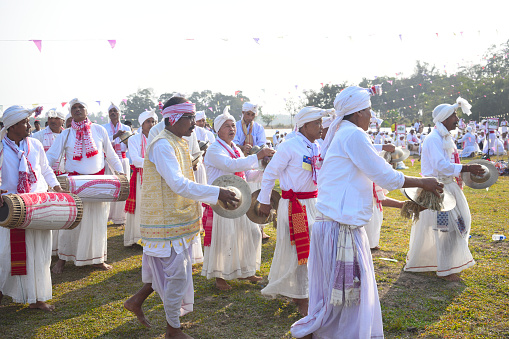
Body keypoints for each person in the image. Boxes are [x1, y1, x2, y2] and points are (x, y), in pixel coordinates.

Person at [290, 86, 443, 339]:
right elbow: (384, 175)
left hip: (338, 225)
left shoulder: (346, 133)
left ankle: (330, 330)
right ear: (358, 112)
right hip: (338, 227)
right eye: (369, 110)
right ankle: (336, 332)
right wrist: (422, 182)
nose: (372, 116)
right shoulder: (352, 135)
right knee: (349, 292)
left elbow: (377, 172)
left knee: (344, 291)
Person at [123, 97, 238, 339]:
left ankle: (137, 302)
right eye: (189, 118)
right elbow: (178, 184)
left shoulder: (177, 141)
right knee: (177, 275)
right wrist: (216, 193)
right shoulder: (163, 145)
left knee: (171, 272)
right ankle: (172, 329)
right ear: (173, 118)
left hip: (177, 219)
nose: (195, 123)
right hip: (166, 223)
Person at [404, 97, 484, 282]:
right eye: (454, 115)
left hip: (448, 187)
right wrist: (466, 168)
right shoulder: (433, 138)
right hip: (438, 190)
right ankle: (446, 269)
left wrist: (463, 173)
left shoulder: (445, 137)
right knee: (445, 228)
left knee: (458, 225)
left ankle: (444, 263)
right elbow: (440, 165)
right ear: (444, 119)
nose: (457, 119)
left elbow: (449, 164)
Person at [258, 107, 326, 316]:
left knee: (312, 248)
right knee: (302, 250)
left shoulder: (316, 146)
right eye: (317, 123)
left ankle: (305, 290)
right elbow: (270, 173)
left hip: (313, 203)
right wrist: (264, 200)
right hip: (295, 207)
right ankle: (302, 296)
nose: (321, 127)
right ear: (305, 126)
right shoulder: (290, 146)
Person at [47, 98, 124, 273]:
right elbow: (51, 157)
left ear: (87, 111)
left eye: (80, 107)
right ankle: (63, 259)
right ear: (71, 112)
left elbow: (110, 155)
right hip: (73, 185)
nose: (77, 110)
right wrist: (45, 175)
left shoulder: (99, 130)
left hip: (98, 183)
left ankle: (97, 259)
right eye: (74, 108)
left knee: (97, 221)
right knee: (72, 221)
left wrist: (121, 173)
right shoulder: (66, 133)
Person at [0, 105, 65, 312]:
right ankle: (7, 290)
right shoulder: (1, 146)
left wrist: (55, 187)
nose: (29, 125)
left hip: (38, 205)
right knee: (6, 253)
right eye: (25, 122)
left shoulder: (35, 145)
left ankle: (37, 298)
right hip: (10, 209)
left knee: (40, 251)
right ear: (12, 126)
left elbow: (45, 169)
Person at [202, 108, 275, 291]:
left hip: (241, 198)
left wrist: (263, 168)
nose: (232, 128)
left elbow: (247, 174)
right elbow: (231, 165)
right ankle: (220, 276)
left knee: (251, 233)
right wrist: (258, 155)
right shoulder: (214, 149)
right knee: (225, 237)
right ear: (218, 130)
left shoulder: (235, 149)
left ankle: (247, 270)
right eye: (227, 125)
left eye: (233, 125)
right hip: (222, 201)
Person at [32, 108, 66, 256]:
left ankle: (62, 249)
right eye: (51, 118)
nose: (53, 120)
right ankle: (49, 250)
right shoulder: (38, 136)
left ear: (62, 121)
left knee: (62, 213)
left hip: (65, 178)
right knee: (50, 213)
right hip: (46, 180)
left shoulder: (68, 134)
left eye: (56, 118)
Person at [124, 109, 157, 247]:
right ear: (142, 124)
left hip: (156, 177)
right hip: (140, 178)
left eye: (153, 121)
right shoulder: (133, 139)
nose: (151, 124)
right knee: (141, 206)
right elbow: (136, 160)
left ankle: (154, 235)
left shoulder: (159, 138)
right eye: (148, 121)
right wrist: (156, 162)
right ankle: (139, 236)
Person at [103, 103, 131, 226]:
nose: (113, 113)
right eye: (111, 111)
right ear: (108, 114)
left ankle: (120, 217)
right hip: (108, 161)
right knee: (109, 188)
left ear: (119, 113)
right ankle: (106, 215)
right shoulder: (103, 128)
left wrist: (128, 139)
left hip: (123, 160)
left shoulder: (126, 128)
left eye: (115, 111)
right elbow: (103, 144)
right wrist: (115, 135)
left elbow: (130, 145)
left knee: (122, 188)